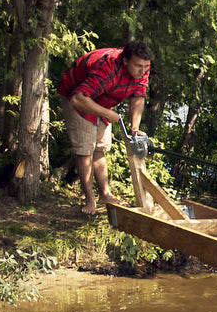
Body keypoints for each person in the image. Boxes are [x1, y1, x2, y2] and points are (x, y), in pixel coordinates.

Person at [58, 40, 153, 215]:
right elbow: (78, 99)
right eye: (139, 66)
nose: (143, 71)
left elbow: (138, 96)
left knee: (100, 148)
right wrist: (108, 114)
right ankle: (90, 201)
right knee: (85, 149)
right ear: (125, 61)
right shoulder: (108, 67)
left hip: (101, 98)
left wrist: (134, 128)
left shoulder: (141, 70)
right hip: (77, 97)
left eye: (146, 66)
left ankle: (105, 195)